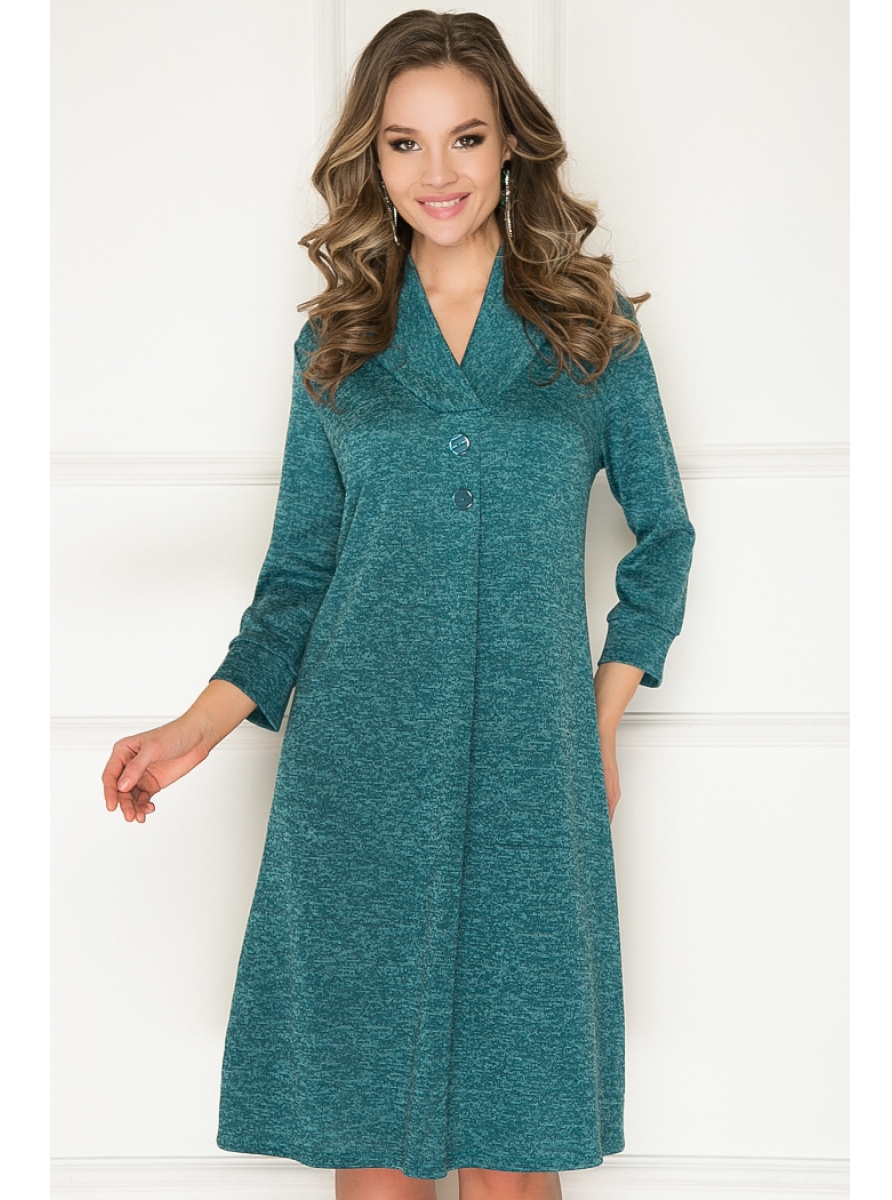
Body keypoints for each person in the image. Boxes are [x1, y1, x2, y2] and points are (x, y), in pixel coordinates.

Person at [102, 10, 695, 1200]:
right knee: (371, 1153)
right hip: (357, 780)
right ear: (370, 160)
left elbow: (666, 536)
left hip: (533, 783)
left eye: (466, 137)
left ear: (510, 144)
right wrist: (193, 729)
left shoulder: (592, 333)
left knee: (513, 1157)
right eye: (403, 143)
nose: (438, 173)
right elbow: (297, 579)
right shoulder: (339, 342)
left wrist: (599, 717)